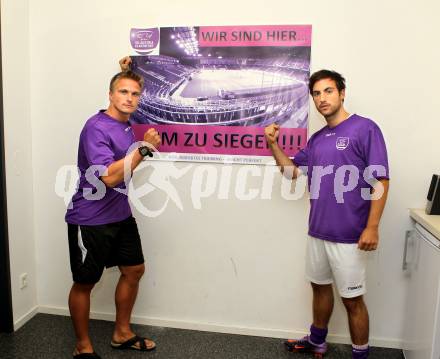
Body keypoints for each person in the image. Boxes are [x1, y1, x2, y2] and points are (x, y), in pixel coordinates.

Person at [265, 70, 389, 359]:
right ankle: (317, 341)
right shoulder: (318, 139)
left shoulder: (365, 129)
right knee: (319, 289)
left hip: (350, 236)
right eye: (317, 94)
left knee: (353, 301)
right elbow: (291, 173)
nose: (322, 98)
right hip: (317, 232)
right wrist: (273, 145)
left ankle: (360, 354)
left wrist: (372, 227)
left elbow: (381, 180)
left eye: (328, 91)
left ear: (342, 92)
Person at [65, 69, 161, 358]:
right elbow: (107, 177)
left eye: (134, 94)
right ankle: (83, 347)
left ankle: (122, 333)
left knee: (134, 270)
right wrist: (144, 150)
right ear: (110, 94)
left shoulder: (125, 124)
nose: (129, 98)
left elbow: (122, 169)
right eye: (123, 92)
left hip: (119, 213)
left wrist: (127, 64)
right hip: (90, 218)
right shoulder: (96, 126)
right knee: (85, 283)